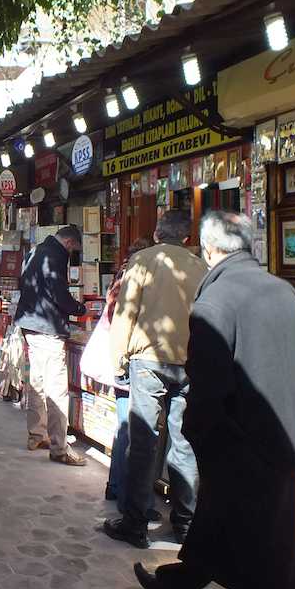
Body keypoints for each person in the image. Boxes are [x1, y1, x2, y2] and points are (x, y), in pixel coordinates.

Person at [134, 211, 295, 589]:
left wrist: (200, 441)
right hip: (282, 447)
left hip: (242, 456)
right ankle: (176, 586)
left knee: (277, 574)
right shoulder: (284, 291)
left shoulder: (215, 302)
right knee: (214, 528)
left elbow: (207, 389)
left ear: (209, 249)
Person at [103, 210, 207, 547]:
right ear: (187, 238)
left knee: (143, 442)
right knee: (184, 444)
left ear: (159, 233)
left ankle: (134, 523)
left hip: (148, 360)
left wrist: (117, 358)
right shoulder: (200, 266)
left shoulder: (142, 260)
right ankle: (186, 525)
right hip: (189, 361)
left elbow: (126, 311)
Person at [14, 226, 88, 467]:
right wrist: (79, 309)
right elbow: (59, 294)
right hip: (47, 328)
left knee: (36, 382)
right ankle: (59, 447)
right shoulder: (55, 256)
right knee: (56, 388)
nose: (71, 252)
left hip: (30, 325)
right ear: (68, 242)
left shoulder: (33, 252)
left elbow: (23, 284)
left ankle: (37, 434)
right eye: (73, 248)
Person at [103, 235, 153, 503]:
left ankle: (115, 486)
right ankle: (125, 493)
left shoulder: (121, 275)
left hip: (122, 358)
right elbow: (121, 319)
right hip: (130, 361)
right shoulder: (132, 279)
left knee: (124, 428)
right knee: (130, 430)